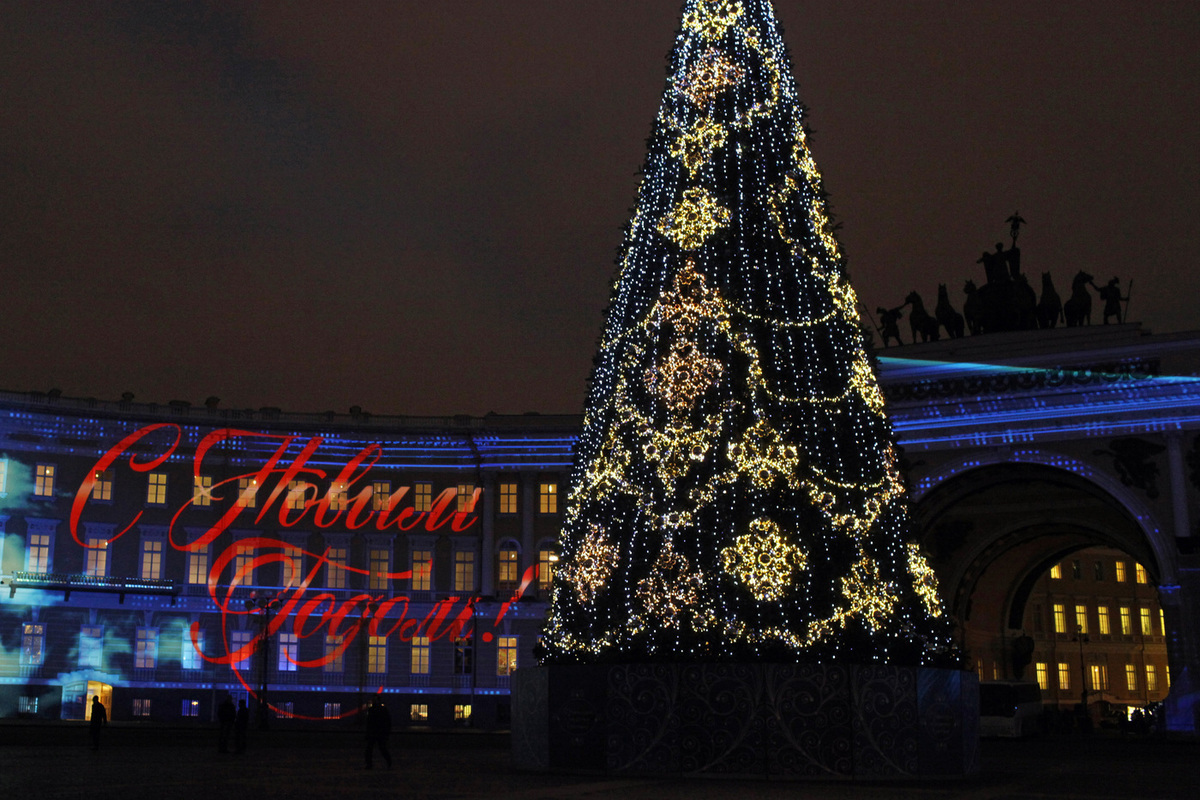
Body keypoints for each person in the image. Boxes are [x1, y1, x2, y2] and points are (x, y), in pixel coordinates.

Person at [364, 695, 392, 770]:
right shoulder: (383, 709)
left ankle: (369, 764)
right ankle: (389, 762)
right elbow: (388, 722)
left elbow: (369, 722)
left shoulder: (371, 710)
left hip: (374, 732)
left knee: (370, 749)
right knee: (382, 748)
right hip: (380, 732)